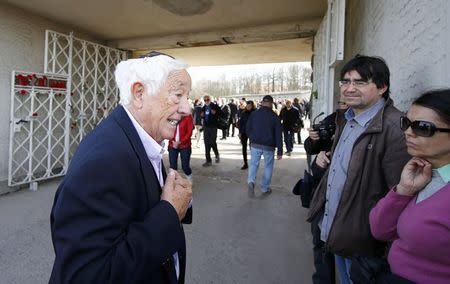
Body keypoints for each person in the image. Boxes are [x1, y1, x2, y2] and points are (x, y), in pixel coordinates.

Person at [49, 52, 193, 283]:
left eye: (187, 96)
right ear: (139, 94)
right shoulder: (104, 161)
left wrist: (178, 201)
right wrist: (169, 212)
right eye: (178, 95)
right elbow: (88, 275)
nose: (187, 108)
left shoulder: (139, 137)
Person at [306, 55, 411, 284]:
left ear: (382, 87)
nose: (349, 88)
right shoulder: (346, 119)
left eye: (360, 82)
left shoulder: (395, 129)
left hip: (364, 245)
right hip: (337, 231)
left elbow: (401, 199)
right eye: (345, 81)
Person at [369, 89, 450, 284]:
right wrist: (403, 191)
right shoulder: (422, 172)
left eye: (422, 127)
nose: (407, 132)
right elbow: (379, 229)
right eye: (406, 123)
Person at [304, 98, 348, 284]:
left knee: (348, 257)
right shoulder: (333, 119)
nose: (344, 101)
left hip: (349, 198)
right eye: (341, 101)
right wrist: (314, 142)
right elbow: (310, 147)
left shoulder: (376, 123)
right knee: (320, 243)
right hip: (324, 189)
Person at [246, 95, 283, 198]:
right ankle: (265, 188)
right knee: (268, 166)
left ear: (262, 103)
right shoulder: (274, 116)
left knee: (253, 164)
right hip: (269, 146)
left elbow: (248, 128)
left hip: (255, 144)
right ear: (271, 103)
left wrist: (252, 139)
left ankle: (251, 182)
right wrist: (280, 151)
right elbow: (279, 135)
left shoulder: (254, 114)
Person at [168, 114, 194, 181]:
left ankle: (189, 179)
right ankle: (174, 183)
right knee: (173, 167)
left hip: (185, 146)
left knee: (185, 166)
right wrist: (172, 141)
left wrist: (180, 142)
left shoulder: (188, 117)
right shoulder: (171, 115)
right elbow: (168, 129)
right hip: (172, 145)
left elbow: (189, 132)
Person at [201, 94, 221, 166]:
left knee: (212, 142)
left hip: (213, 127)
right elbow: (202, 116)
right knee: (206, 143)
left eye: (207, 99)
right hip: (206, 127)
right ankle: (208, 161)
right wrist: (202, 115)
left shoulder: (215, 106)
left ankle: (217, 154)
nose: (206, 101)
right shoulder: (204, 107)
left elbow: (221, 113)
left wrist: (216, 113)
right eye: (205, 100)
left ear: (210, 100)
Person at [238, 100, 256, 170]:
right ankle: (245, 163)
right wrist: (240, 132)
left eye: (250, 105)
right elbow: (241, 123)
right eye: (247, 105)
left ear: (252, 106)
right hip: (244, 132)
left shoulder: (255, 113)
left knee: (253, 148)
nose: (248, 107)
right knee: (244, 148)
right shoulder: (244, 113)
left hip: (252, 133)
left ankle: (253, 163)